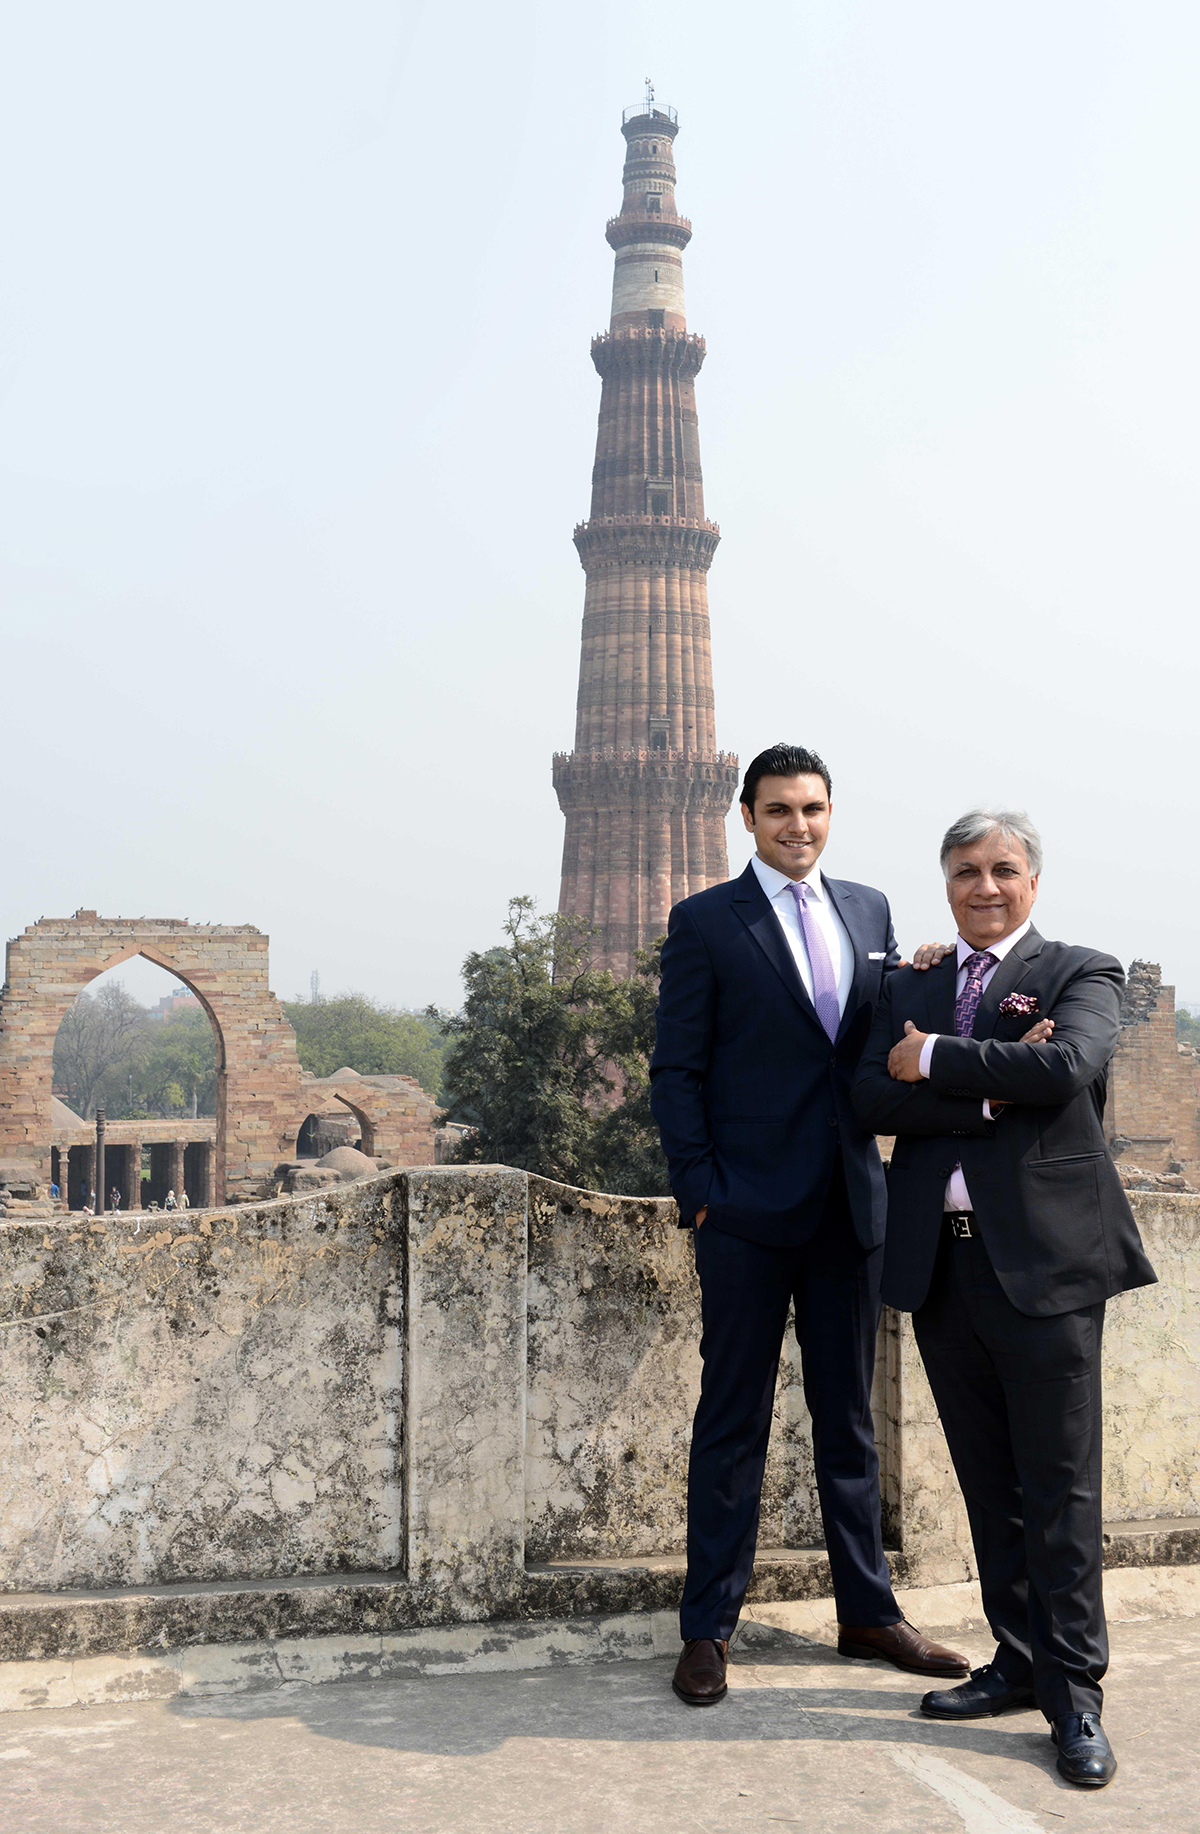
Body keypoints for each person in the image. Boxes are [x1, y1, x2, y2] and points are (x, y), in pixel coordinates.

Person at [650, 742, 970, 1708]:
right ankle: (709, 1626)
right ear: (746, 817)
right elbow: (677, 1069)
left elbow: (875, 1037)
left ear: (832, 815)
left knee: (849, 1421)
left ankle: (867, 1612)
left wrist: (922, 974)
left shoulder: (866, 910)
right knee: (732, 1419)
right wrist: (701, 1188)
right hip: (744, 1210)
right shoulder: (707, 920)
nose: (799, 826)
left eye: (814, 809)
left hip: (848, 1204)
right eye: (780, 810)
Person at [853, 809, 1156, 1789]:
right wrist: (994, 1082)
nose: (984, 887)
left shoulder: (1081, 972)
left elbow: (1068, 1066)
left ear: (1033, 879)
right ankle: (1019, 1661)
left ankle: (1075, 1699)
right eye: (965, 872)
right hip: (944, 1265)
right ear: (945, 882)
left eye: (1002, 870)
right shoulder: (913, 979)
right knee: (990, 1485)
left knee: (1058, 1489)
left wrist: (937, 1060)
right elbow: (868, 1094)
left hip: (1048, 1268)